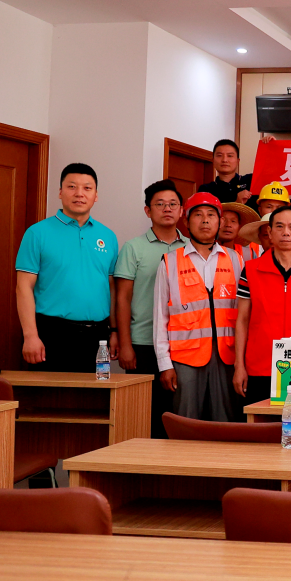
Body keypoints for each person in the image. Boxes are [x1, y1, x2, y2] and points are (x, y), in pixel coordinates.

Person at [15, 163, 119, 372]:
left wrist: (114, 331)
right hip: (52, 333)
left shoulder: (108, 236)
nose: (79, 193)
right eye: (72, 187)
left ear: (96, 195)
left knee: (96, 392)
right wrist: (31, 336)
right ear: (60, 192)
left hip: (97, 336)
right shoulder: (37, 233)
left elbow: (111, 287)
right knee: (49, 392)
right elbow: (23, 287)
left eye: (87, 188)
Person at [153, 193, 242, 422]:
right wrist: (164, 364)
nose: (205, 220)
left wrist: (242, 361)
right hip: (185, 361)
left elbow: (245, 315)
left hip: (227, 357)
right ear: (186, 220)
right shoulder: (170, 261)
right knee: (186, 422)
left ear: (220, 221)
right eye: (198, 215)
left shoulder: (236, 260)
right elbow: (160, 317)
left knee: (225, 422)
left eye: (211, 215)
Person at [115, 180, 188, 436]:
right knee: (143, 415)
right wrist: (125, 343)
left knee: (177, 414)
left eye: (173, 204)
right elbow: (122, 298)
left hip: (182, 344)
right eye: (160, 204)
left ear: (181, 211)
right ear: (148, 211)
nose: (167, 209)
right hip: (143, 343)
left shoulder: (190, 248)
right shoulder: (133, 248)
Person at [234, 207, 291, 404]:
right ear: (269, 232)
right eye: (279, 226)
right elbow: (242, 320)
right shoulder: (251, 270)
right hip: (259, 367)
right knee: (260, 421)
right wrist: (239, 365)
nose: (286, 232)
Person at [198, 139, 252, 204]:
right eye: (219, 155)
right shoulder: (206, 190)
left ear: (238, 161)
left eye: (230, 156)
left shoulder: (251, 180)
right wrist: (237, 203)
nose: (224, 160)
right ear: (213, 160)